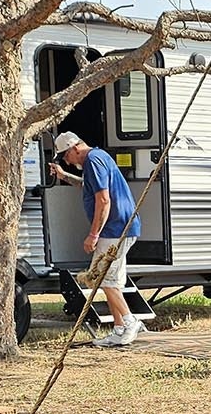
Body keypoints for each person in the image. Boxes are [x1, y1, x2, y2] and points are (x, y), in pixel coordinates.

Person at [50, 131, 145, 347]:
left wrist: (93, 235)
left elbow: (103, 200)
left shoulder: (92, 160)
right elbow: (87, 186)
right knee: (112, 280)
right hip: (123, 227)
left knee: (101, 278)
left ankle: (130, 322)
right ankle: (119, 329)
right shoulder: (99, 158)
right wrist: (64, 176)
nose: (67, 161)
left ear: (75, 148)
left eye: (66, 156)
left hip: (114, 229)